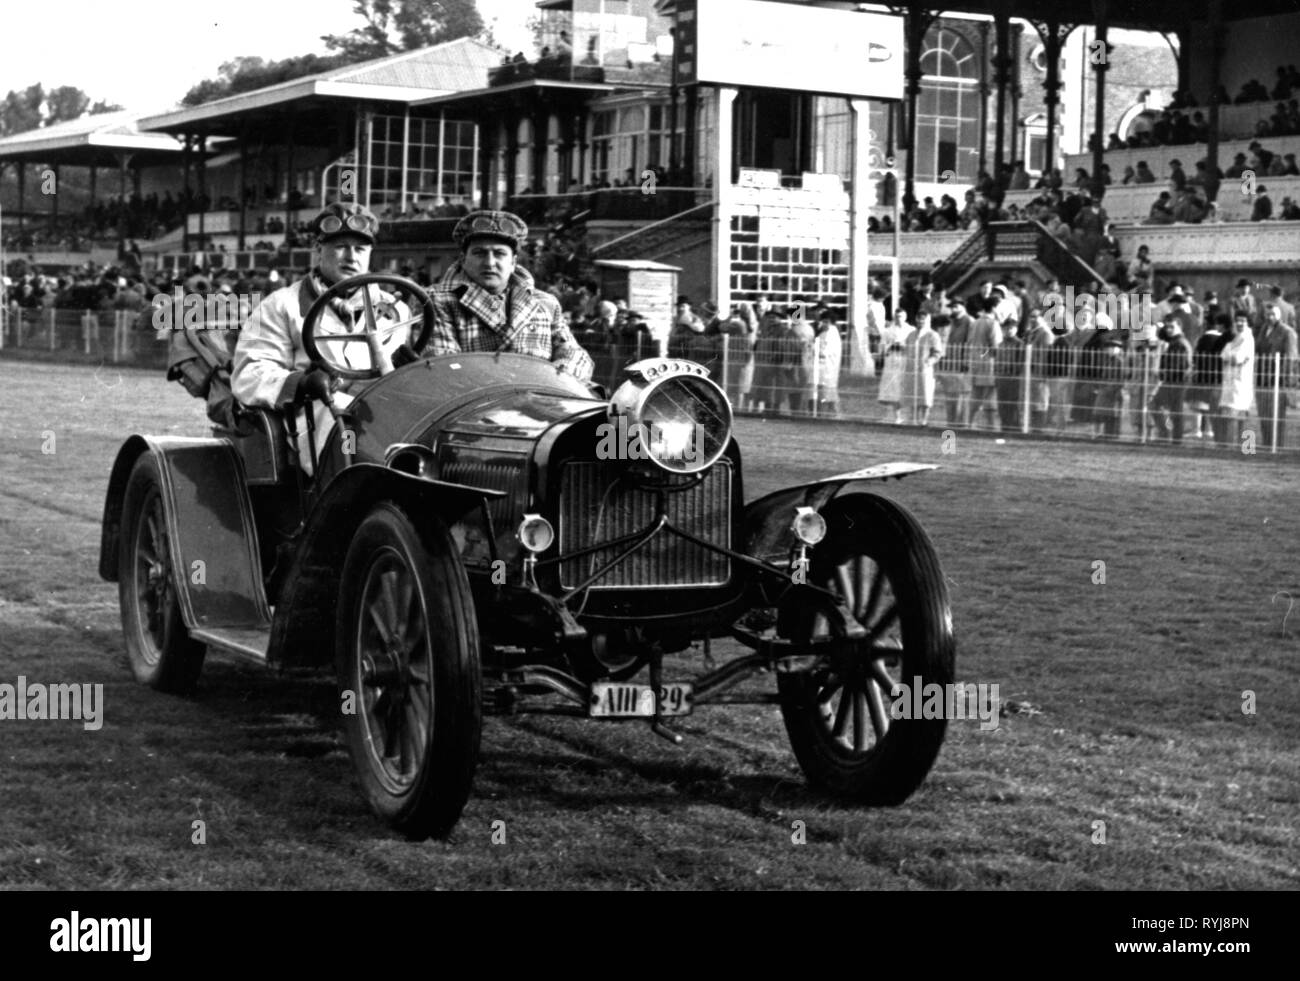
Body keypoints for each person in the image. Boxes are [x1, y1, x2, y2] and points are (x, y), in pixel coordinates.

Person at [232, 202, 413, 474]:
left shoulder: (397, 310)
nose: (351, 257)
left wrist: (409, 368)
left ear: (370, 254)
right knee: (346, 421)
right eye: (340, 247)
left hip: (383, 408)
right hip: (313, 415)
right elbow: (249, 372)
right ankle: (355, 487)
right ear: (318, 249)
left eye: (360, 249)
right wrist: (300, 383)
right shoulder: (279, 305)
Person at [426, 210, 593, 381]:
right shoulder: (437, 300)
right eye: (479, 253)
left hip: (544, 396)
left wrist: (561, 375)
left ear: (513, 262)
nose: (490, 263)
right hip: (478, 402)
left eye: (499, 254)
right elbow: (443, 366)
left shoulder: (545, 303)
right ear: (462, 259)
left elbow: (575, 353)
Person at [1255, 302, 1299, 448]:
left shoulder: (1287, 332)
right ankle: (1267, 444)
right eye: (1267, 314)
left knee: (1276, 417)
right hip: (1262, 379)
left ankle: (1276, 446)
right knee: (1264, 414)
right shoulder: (1263, 329)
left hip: (1277, 381)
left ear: (1279, 315)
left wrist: (1286, 382)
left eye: (1273, 314)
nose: (1269, 317)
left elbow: (1291, 359)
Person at [1153, 314, 1193, 441]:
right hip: (1175, 380)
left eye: (1172, 327)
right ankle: (1172, 436)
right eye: (1167, 327)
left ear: (1179, 326)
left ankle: (1168, 434)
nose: (1168, 329)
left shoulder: (1178, 343)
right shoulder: (1177, 342)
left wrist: (1161, 373)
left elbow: (1176, 366)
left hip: (1175, 381)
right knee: (1175, 410)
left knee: (1159, 405)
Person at [1219, 312, 1256, 445]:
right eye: (1237, 321)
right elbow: (1223, 355)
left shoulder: (1247, 338)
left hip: (1240, 381)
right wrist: (1229, 352)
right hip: (1231, 380)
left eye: (1243, 321)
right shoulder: (1236, 338)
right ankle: (1233, 445)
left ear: (1248, 323)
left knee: (1239, 415)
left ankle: (1244, 447)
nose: (1240, 323)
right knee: (1231, 414)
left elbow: (1236, 358)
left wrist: (1229, 351)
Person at [902, 310, 944, 426]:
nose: (921, 321)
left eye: (923, 319)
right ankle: (913, 419)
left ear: (928, 321)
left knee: (925, 395)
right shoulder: (911, 335)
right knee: (913, 393)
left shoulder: (932, 335)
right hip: (911, 369)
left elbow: (937, 352)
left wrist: (929, 361)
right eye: (919, 319)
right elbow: (907, 350)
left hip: (926, 369)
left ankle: (923, 420)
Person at [1191, 313, 1229, 441]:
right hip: (1219, 377)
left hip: (1203, 376)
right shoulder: (1225, 339)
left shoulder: (1203, 339)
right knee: (1213, 405)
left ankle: (1196, 429)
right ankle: (1209, 430)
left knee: (1199, 403)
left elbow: (1196, 357)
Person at [876, 310, 915, 424]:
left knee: (904, 386)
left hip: (905, 360)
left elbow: (914, 345)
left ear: (905, 317)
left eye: (901, 316)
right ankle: (894, 415)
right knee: (892, 388)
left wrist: (904, 346)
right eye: (897, 316)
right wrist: (890, 346)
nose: (899, 319)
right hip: (892, 361)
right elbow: (882, 346)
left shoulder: (911, 330)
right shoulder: (888, 331)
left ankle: (907, 415)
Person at [811, 305, 842, 417]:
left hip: (828, 367)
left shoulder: (831, 333)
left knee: (828, 392)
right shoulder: (823, 333)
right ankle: (829, 414)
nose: (824, 323)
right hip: (823, 367)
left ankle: (835, 414)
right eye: (823, 321)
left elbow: (823, 352)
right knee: (825, 393)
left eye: (826, 321)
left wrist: (813, 348)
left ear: (832, 322)